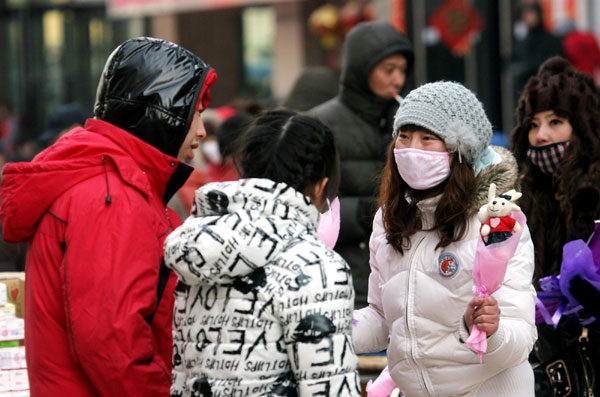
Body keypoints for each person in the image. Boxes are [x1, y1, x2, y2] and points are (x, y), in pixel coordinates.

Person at [0, 37, 217, 395]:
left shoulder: (103, 179)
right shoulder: (111, 194)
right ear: (164, 112)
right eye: (193, 113)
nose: (201, 131)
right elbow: (114, 346)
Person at [353, 81, 537, 396]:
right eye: (404, 136)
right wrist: (333, 325)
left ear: (458, 151)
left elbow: (521, 337)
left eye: (428, 139)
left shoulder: (496, 223)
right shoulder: (388, 220)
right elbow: (384, 319)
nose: (412, 149)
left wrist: (489, 331)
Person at [163, 109, 360, 396]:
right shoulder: (316, 266)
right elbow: (329, 387)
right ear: (322, 185)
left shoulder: (201, 248)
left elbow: (183, 372)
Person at [308, 20, 414, 309]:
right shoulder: (321, 123)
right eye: (388, 69)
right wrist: (370, 212)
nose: (397, 79)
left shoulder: (407, 122)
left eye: (402, 70)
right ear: (361, 70)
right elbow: (308, 203)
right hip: (345, 274)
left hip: (402, 276)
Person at [510, 56, 600, 395]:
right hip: (548, 373)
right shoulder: (521, 200)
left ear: (582, 127)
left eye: (556, 121)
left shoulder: (595, 194)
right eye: (533, 124)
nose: (542, 135)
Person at [512, 2, 563, 96]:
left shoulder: (552, 41)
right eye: (526, 16)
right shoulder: (523, 42)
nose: (529, 19)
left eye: (532, 15)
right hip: (527, 93)